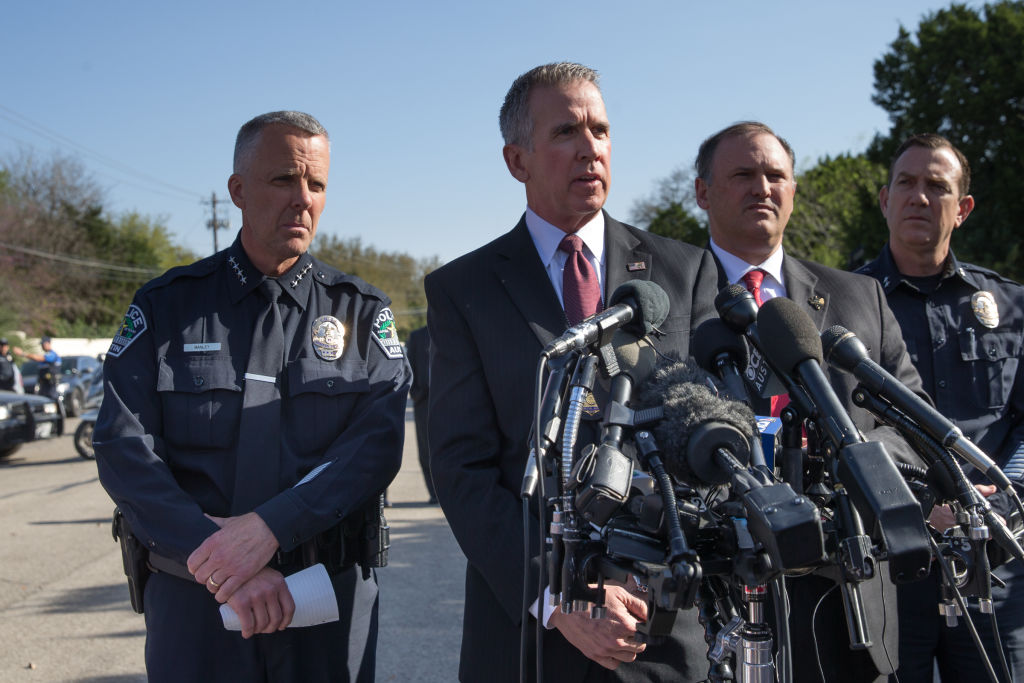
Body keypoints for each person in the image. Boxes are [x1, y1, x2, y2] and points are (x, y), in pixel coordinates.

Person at [426, 62, 720, 682]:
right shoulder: (464, 290)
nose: (591, 147)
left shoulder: (682, 270)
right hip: (529, 630)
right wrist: (562, 599)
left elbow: (706, 432)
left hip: (658, 624)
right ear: (517, 160)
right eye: (565, 132)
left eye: (601, 130)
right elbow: (462, 469)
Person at [93, 111, 411, 683]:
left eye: (316, 185)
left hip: (323, 598)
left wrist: (268, 529)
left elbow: (375, 446)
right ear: (237, 190)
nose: (303, 200)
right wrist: (222, 559)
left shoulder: (361, 312)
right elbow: (123, 448)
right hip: (196, 601)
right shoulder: (168, 307)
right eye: (284, 179)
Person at [692, 121, 927, 682]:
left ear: (794, 189)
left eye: (777, 175)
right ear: (703, 192)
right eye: (743, 175)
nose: (763, 188)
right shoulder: (665, 298)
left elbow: (911, 416)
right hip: (714, 607)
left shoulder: (858, 296)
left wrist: (856, 459)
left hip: (847, 605)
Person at [858, 133, 1024, 683]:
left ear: (963, 209)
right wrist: (921, 501)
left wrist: (1007, 498)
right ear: (885, 200)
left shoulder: (1011, 306)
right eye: (906, 184)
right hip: (887, 566)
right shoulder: (845, 305)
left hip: (994, 564)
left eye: (937, 186)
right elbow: (838, 431)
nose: (919, 198)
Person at [405, 325, 436, 503]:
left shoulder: (448, 328)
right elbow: (409, 364)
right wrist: (416, 393)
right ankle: (433, 493)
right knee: (425, 449)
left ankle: (445, 491)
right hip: (423, 401)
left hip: (446, 400)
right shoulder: (417, 336)